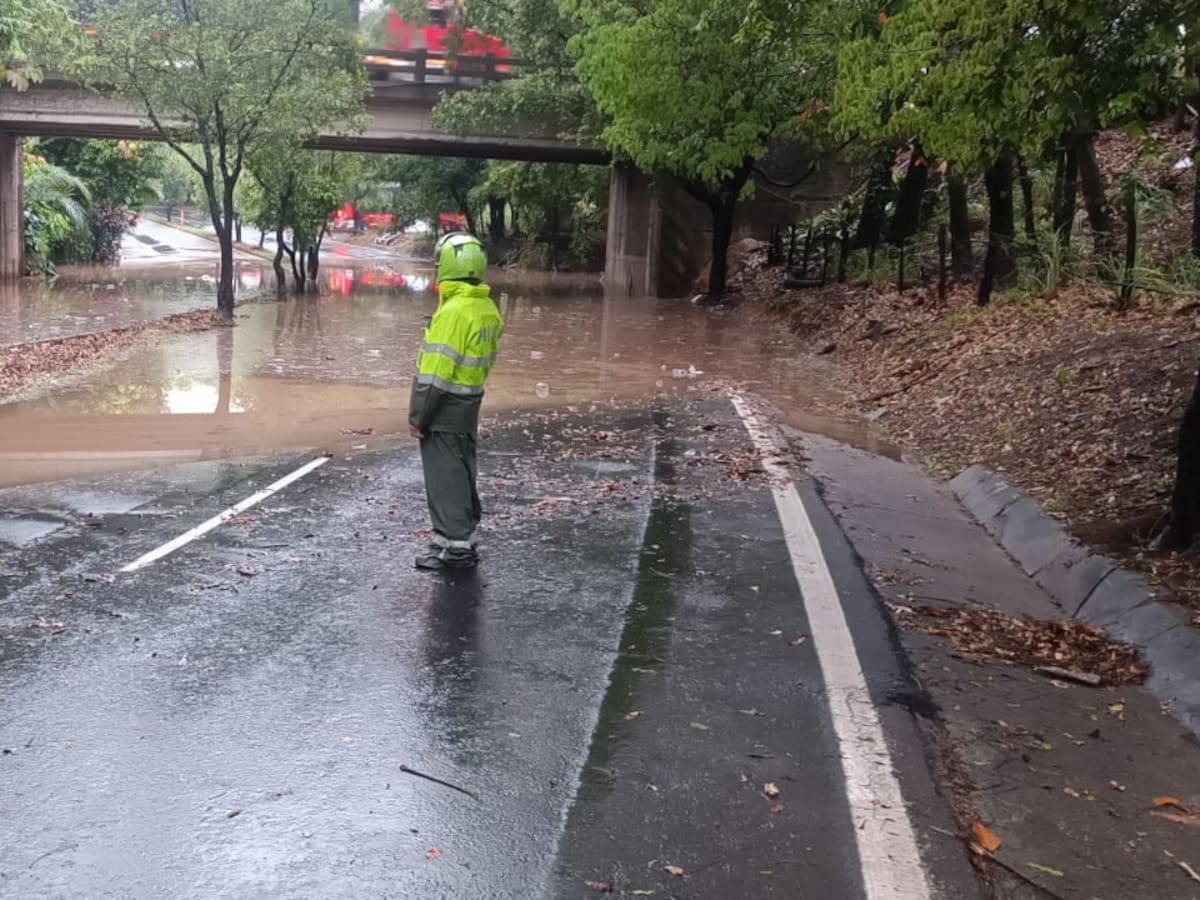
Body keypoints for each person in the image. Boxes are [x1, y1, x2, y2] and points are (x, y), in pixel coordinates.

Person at [409, 231, 504, 571]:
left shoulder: (453, 313)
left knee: (444, 477)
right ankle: (449, 541)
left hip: (444, 408)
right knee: (462, 473)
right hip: (469, 403)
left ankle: (457, 549)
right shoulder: (487, 307)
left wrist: (418, 416)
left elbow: (434, 375)